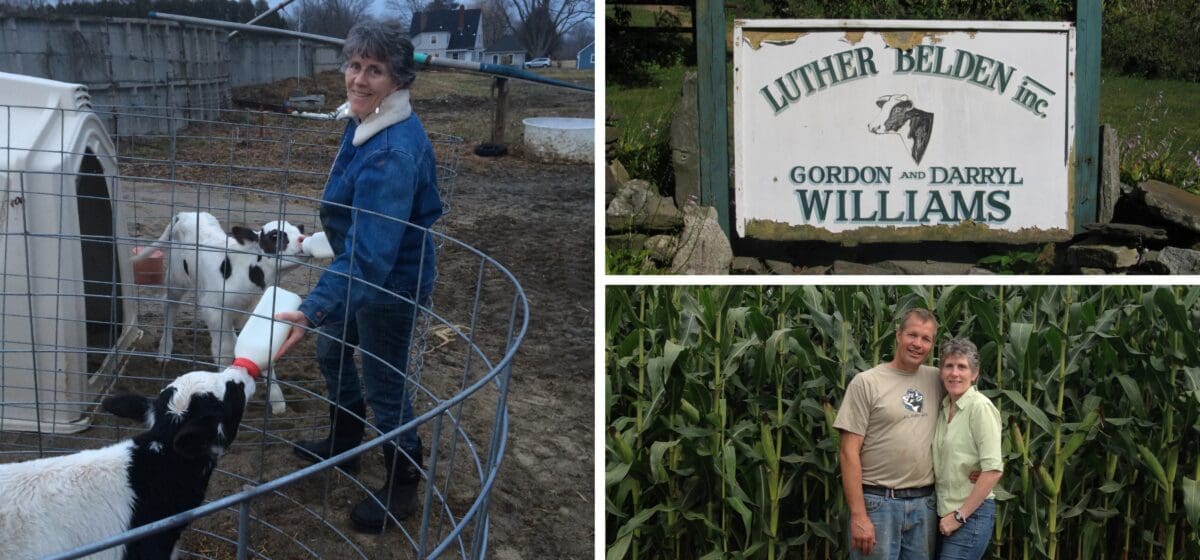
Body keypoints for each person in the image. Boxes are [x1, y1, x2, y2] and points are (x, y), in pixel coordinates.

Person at [274, 19, 441, 533]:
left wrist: (312, 307)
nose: (359, 79)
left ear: (399, 80)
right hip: (360, 272)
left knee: (385, 382)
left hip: (389, 284)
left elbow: (371, 257)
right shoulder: (367, 121)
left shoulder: (392, 151)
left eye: (375, 70)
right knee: (330, 349)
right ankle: (345, 442)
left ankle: (403, 482)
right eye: (354, 65)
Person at [834, 308, 943, 559]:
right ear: (898, 335)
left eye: (926, 339)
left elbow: (967, 417)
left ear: (932, 344)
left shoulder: (938, 379)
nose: (918, 344)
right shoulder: (867, 382)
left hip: (924, 504)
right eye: (912, 335)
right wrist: (859, 515)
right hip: (878, 503)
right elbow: (848, 451)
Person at [933, 339, 1003, 560]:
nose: (954, 373)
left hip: (969, 516)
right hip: (942, 515)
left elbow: (993, 469)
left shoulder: (980, 408)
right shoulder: (944, 408)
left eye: (962, 367)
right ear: (941, 371)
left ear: (974, 374)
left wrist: (959, 516)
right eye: (949, 366)